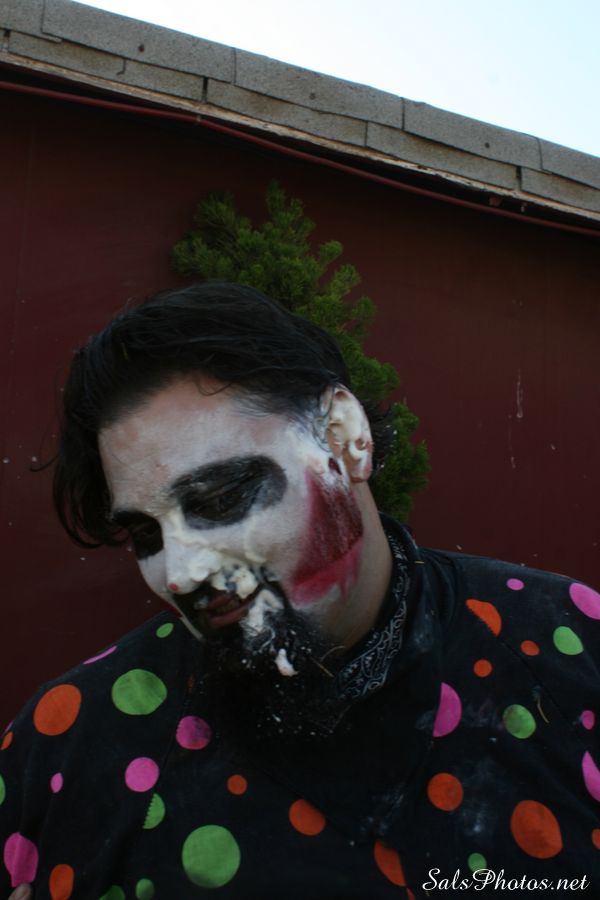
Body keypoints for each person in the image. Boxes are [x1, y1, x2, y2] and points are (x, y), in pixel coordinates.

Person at [1, 283, 599, 899]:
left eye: (220, 499)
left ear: (342, 437)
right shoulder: (70, 745)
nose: (179, 574)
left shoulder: (567, 648)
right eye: (146, 535)